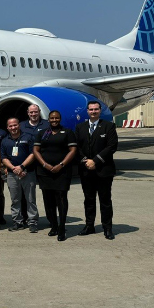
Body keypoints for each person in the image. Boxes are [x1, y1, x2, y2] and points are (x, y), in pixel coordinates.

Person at [74, 101, 118, 240]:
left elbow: (111, 147)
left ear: (100, 111)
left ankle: (107, 228)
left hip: (104, 170)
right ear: (87, 111)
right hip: (86, 170)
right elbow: (77, 147)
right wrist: (86, 161)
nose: (93, 112)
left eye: (96, 109)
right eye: (91, 109)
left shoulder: (108, 126)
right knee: (89, 200)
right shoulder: (80, 127)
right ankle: (89, 225)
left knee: (105, 200)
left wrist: (96, 161)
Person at [33, 110, 78, 241]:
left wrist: (61, 165)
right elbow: (36, 150)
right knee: (48, 200)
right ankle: (53, 225)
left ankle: (62, 227)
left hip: (62, 172)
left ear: (60, 119)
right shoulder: (42, 133)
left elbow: (73, 150)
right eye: (52, 118)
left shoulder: (68, 132)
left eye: (56, 118)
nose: (54, 120)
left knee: (61, 199)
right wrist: (44, 165)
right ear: (48, 119)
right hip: (44, 172)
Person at [1, 117, 39, 233]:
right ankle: (18, 222)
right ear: (7, 127)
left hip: (28, 172)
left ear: (19, 125)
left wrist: (22, 167)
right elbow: (3, 158)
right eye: (10, 126)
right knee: (15, 199)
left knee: (30, 199)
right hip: (12, 174)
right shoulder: (5, 140)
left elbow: (33, 154)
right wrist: (13, 168)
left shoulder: (28, 137)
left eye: (15, 125)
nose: (13, 128)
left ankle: (32, 222)